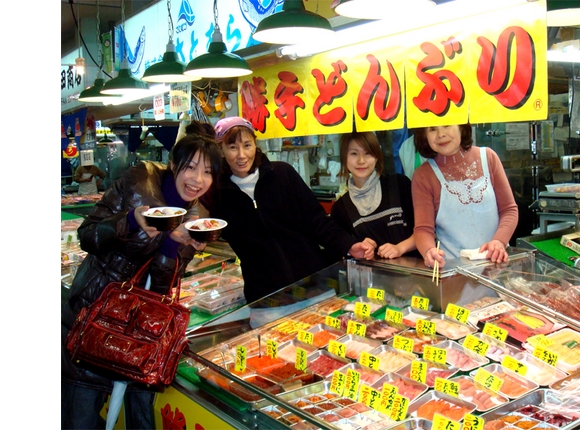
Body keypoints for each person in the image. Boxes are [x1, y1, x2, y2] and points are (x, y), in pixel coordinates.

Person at [61, 133, 225, 429]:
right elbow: (88, 236)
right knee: (79, 420)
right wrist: (132, 220)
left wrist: (172, 245)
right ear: (173, 164)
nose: (198, 179)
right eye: (190, 167)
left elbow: (163, 288)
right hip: (95, 320)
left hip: (142, 338)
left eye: (208, 172)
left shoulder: (198, 218)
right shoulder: (138, 182)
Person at [207, 117, 375, 304]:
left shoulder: (282, 174)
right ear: (221, 149)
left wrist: (349, 245)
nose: (241, 155)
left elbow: (317, 222)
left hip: (313, 287)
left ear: (255, 144)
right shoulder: (218, 194)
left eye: (247, 145)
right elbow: (205, 230)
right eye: (232, 147)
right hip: (266, 299)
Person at [411, 123, 518, 268]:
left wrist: (499, 241)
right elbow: (423, 229)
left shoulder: (489, 157)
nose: (441, 134)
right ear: (424, 135)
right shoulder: (423, 175)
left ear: (461, 126)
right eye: (432, 129)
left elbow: (509, 210)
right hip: (453, 271)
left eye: (447, 125)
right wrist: (429, 251)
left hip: (497, 265)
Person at [330, 131, 418, 259]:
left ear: (377, 157)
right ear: (344, 158)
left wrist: (399, 248)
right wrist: (359, 248)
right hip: (372, 277)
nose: (361, 161)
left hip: (414, 274)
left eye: (368, 153)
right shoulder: (340, 209)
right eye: (354, 154)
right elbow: (344, 253)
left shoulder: (399, 184)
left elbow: (426, 230)